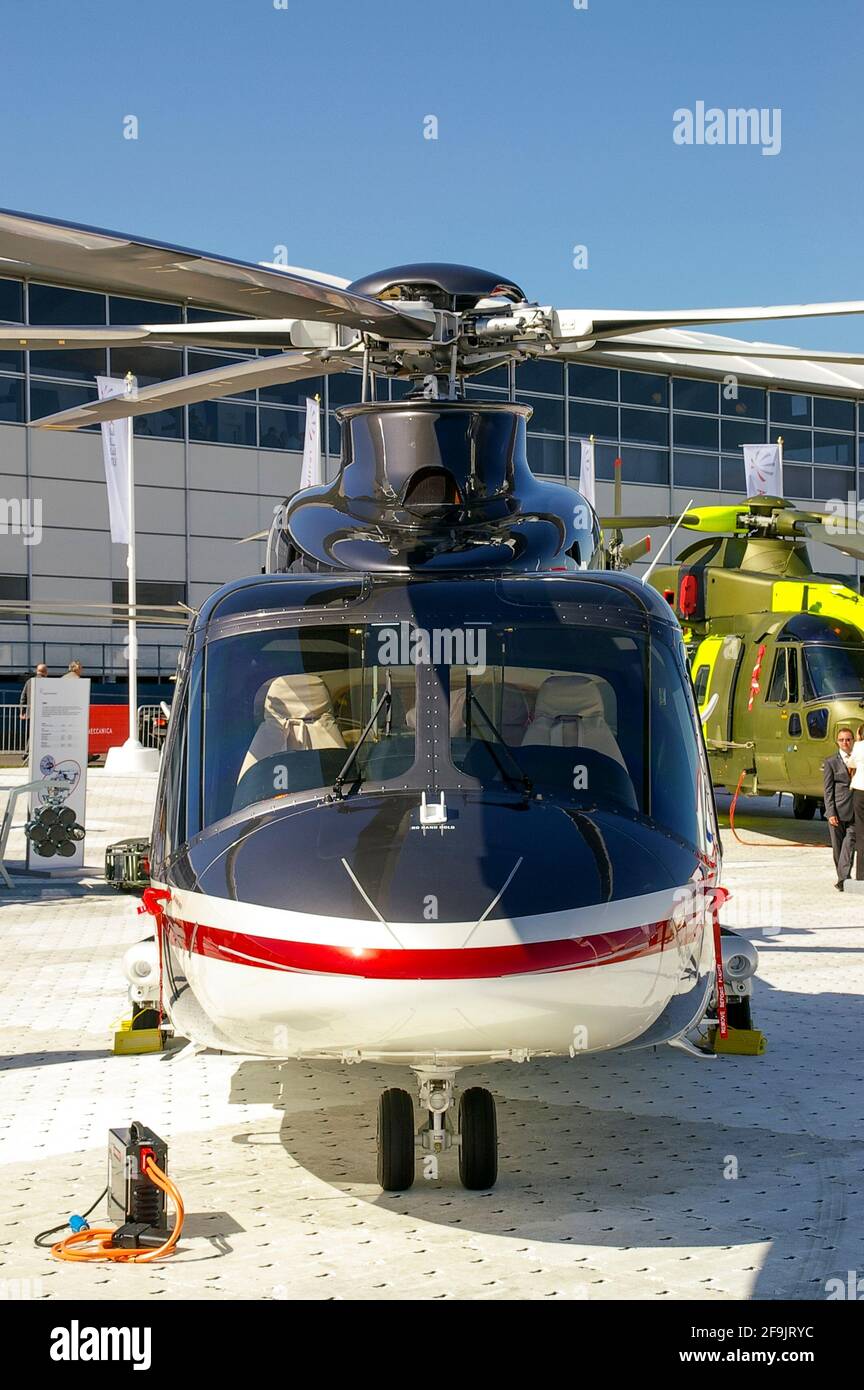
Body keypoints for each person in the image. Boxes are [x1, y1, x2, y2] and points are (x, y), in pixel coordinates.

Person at [824, 727, 856, 890]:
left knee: (849, 845)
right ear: (837, 742)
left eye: (848, 739)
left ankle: (843, 879)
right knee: (838, 848)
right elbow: (828, 789)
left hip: (856, 812)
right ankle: (843, 877)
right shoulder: (830, 762)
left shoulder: (859, 760)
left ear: (853, 741)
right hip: (837, 811)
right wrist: (830, 813)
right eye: (842, 740)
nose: (845, 742)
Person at [18, 662, 48, 764]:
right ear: (45, 672)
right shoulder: (47, 682)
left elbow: (23, 697)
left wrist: (22, 712)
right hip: (44, 714)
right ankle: (30, 754)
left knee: (32, 734)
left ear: (37, 671)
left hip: (31, 713)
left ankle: (27, 753)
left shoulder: (30, 681)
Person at [848, 724, 864, 883]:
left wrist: (859, 741)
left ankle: (861, 875)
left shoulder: (859, 746)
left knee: (861, 833)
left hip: (860, 790)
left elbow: (850, 764)